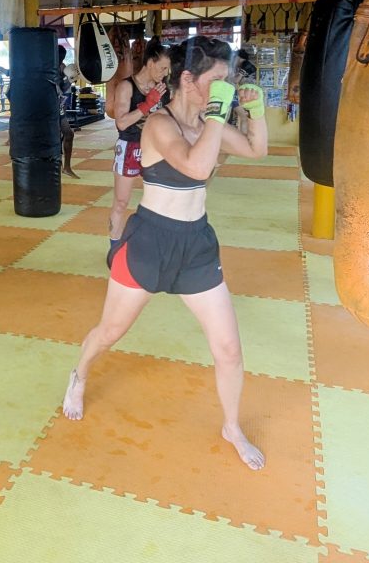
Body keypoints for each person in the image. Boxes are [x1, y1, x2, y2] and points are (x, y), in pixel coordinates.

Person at [62, 36, 269, 471]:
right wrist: (217, 114)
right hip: (150, 243)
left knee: (228, 348)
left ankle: (231, 425)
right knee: (110, 332)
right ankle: (78, 375)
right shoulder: (158, 124)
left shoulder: (206, 125)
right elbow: (195, 167)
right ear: (189, 80)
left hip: (196, 245)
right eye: (218, 80)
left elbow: (256, 149)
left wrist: (256, 113)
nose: (225, 87)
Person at [109, 36, 170, 246]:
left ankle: (153, 245)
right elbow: (122, 123)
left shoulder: (163, 89)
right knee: (121, 202)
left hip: (154, 148)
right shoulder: (126, 86)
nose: (164, 74)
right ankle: (114, 247)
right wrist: (147, 104)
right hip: (129, 147)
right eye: (162, 68)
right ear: (150, 62)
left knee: (158, 201)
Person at [58, 46, 78, 178]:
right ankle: (56, 168)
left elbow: (64, 89)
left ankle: (67, 167)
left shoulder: (62, 67)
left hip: (58, 108)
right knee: (54, 138)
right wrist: (66, 80)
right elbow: (57, 88)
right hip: (48, 110)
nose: (61, 59)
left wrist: (70, 79)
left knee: (69, 135)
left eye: (62, 56)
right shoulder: (47, 68)